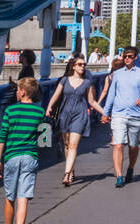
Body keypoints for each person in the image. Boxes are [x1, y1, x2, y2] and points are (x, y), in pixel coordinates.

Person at [0, 77, 46, 224]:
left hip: (12, 156)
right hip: (30, 157)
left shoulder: (10, 110)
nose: (16, 92)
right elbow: (44, 140)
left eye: (17, 89)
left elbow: (2, 135)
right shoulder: (40, 112)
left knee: (10, 196)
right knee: (23, 197)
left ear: (23, 92)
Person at [45, 54, 107, 184]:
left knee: (73, 145)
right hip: (65, 114)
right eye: (79, 64)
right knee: (67, 145)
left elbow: (92, 102)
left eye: (84, 65)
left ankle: (67, 174)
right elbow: (56, 95)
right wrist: (49, 107)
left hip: (80, 115)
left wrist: (105, 113)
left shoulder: (87, 83)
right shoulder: (64, 80)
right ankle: (71, 169)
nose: (82, 67)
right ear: (73, 66)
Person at [102, 47, 140, 187]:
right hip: (119, 113)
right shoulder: (117, 74)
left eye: (129, 56)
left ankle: (130, 167)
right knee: (118, 145)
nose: (127, 59)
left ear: (135, 57)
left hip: (135, 114)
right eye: (125, 57)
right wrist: (106, 112)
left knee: (133, 146)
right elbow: (111, 93)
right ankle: (119, 176)